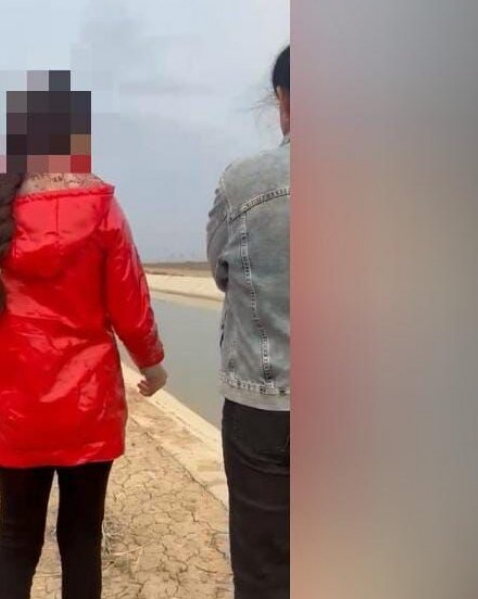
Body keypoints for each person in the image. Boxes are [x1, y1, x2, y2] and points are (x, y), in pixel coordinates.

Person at [0, 70, 168, 599]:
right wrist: (152, 364)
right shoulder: (99, 203)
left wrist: (3, 358)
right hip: (88, 403)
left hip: (15, 404)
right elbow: (130, 302)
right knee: (82, 540)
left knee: (16, 542)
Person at [206, 45, 291, 599]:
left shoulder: (244, 181)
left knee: (264, 571)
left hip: (265, 406)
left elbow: (221, 270)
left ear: (283, 99)